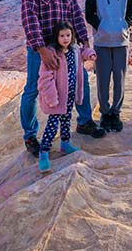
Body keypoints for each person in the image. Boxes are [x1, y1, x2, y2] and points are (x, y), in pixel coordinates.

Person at [20, 0, 105, 157]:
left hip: (67, 48)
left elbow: (75, 14)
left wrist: (84, 42)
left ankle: (84, 122)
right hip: (42, 50)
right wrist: (41, 49)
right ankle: (30, 136)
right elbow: (29, 18)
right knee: (32, 89)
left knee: (80, 81)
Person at [85, 0, 132, 133]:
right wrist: (100, 26)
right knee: (103, 79)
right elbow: (89, 12)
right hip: (102, 41)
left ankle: (116, 112)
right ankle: (105, 113)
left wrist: (125, 25)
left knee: (120, 79)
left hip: (121, 41)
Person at [37, 22, 96, 173]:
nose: (65, 39)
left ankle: (65, 143)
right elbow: (45, 78)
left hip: (70, 94)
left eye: (68, 35)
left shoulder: (74, 50)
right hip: (56, 97)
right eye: (62, 36)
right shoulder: (52, 54)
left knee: (66, 118)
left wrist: (89, 53)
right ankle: (44, 152)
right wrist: (51, 98)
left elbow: (82, 54)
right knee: (52, 124)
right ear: (56, 37)